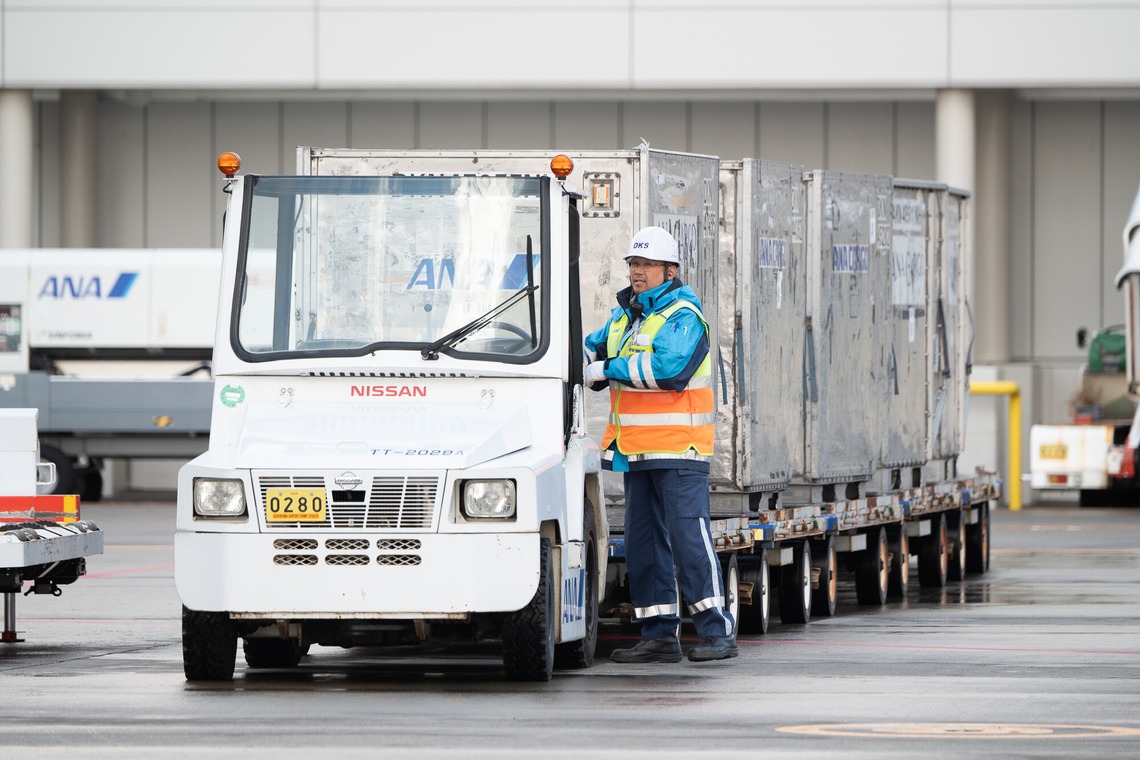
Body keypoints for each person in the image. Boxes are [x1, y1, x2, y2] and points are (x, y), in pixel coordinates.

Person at [583, 226, 738, 663]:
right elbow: (592, 348)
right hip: (636, 453)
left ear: (670, 270)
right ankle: (659, 634)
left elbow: (670, 369)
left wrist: (608, 369)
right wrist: (575, 358)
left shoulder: (684, 315)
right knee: (643, 545)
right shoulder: (625, 316)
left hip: (679, 451)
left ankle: (717, 632)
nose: (638, 272)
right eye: (634, 264)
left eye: (647, 265)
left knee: (690, 540)